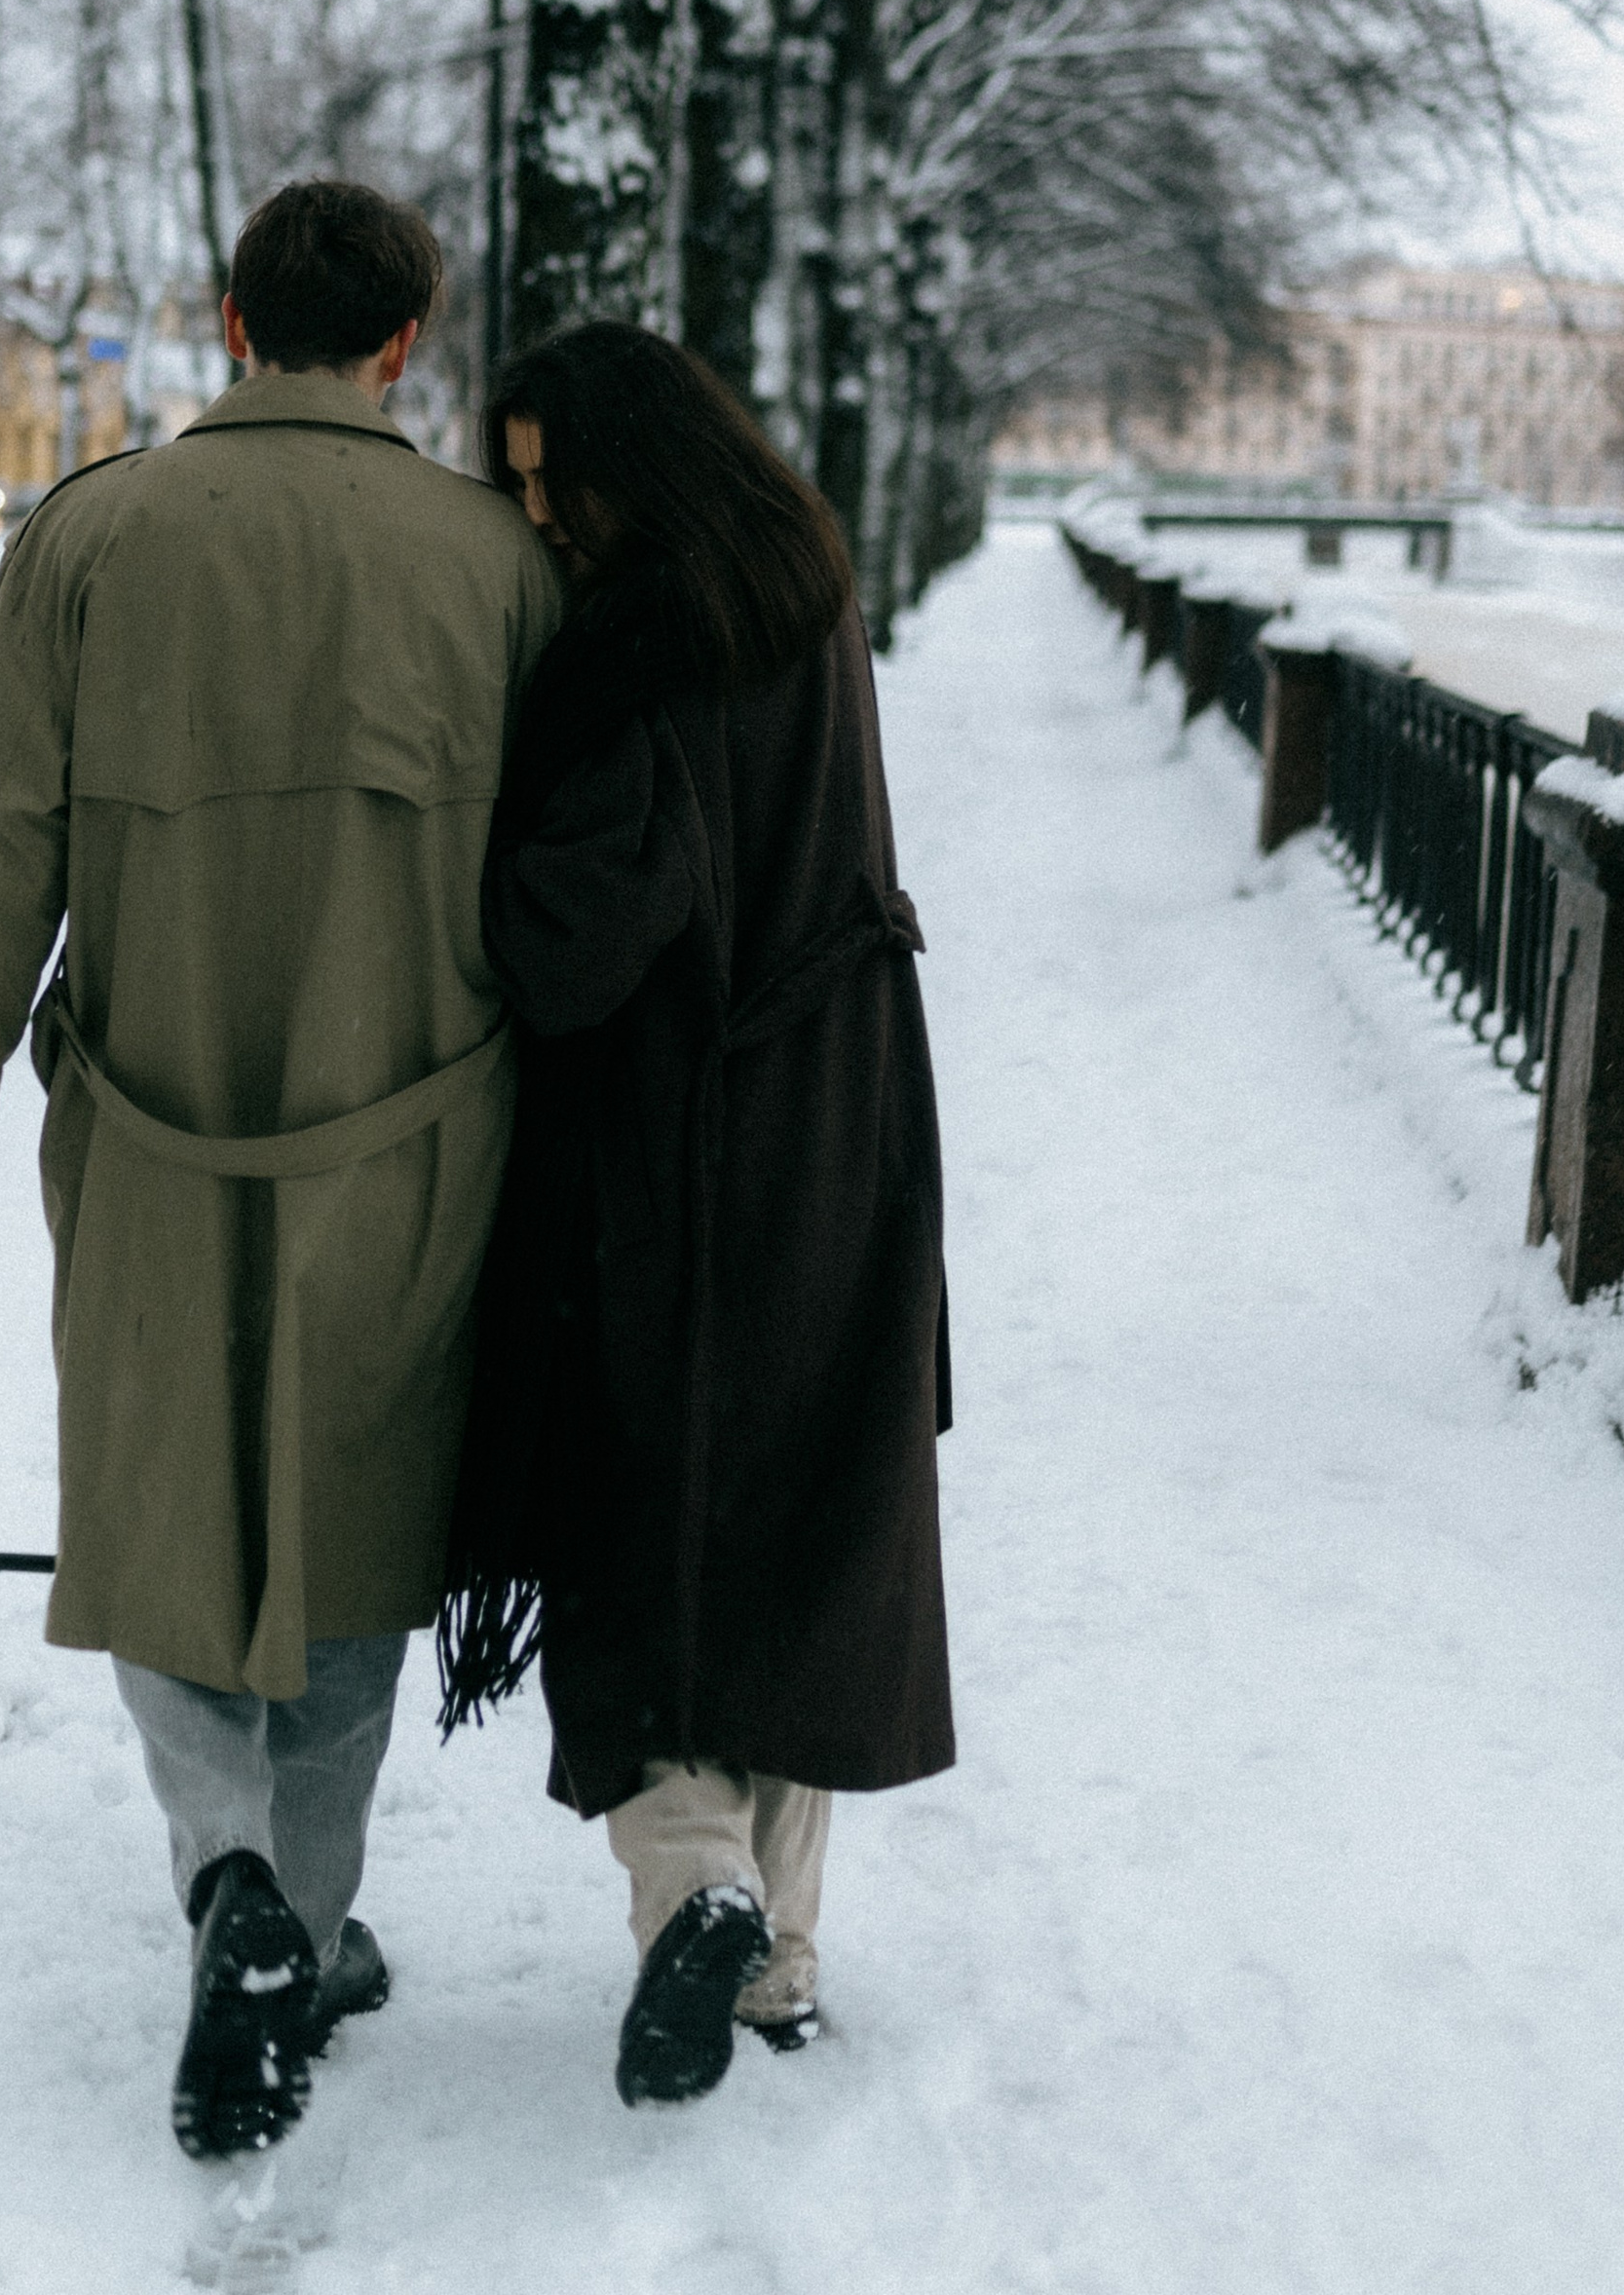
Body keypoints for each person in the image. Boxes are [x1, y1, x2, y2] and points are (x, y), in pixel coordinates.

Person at [0, 180, 560, 2161]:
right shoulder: (493, 564)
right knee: (354, 1526)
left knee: (165, 1504)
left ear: (229, 318)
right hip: (420, 1130)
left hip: (148, 1132)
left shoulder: (88, 533)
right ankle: (307, 1919)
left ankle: (227, 1887)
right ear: (404, 343)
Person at [440, 320, 954, 2109]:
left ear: (622, 474)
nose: (535, 518)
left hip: (687, 1153)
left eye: (544, 483)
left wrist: (484, 881)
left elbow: (586, 934)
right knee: (805, 1530)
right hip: (856, 1120)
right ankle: (778, 1969)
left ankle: (698, 1889)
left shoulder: (640, 645)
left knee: (638, 1533)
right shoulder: (801, 575)